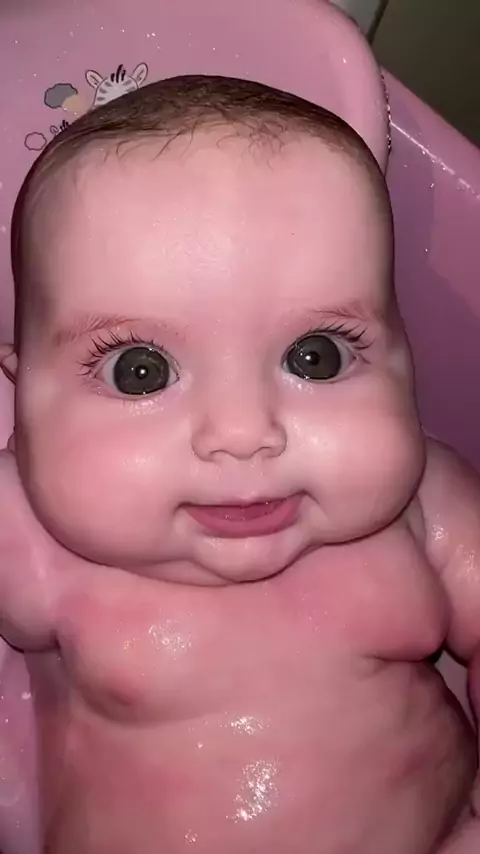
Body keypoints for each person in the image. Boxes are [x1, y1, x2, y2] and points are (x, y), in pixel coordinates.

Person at [1, 74, 480, 853]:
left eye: (315, 357)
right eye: (140, 372)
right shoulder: (27, 529)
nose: (243, 433)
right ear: (22, 397)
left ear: (405, 354)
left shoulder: (424, 504)